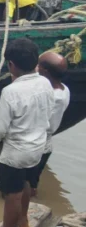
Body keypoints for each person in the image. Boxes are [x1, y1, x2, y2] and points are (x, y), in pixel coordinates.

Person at [0, 38, 53, 227]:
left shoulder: (10, 91)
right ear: (36, 62)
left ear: (11, 65)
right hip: (38, 146)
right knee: (27, 183)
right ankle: (23, 221)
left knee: (11, 195)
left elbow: (1, 129)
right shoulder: (45, 83)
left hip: (16, 153)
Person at [28, 52, 70, 197]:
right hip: (45, 145)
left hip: (36, 145)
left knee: (23, 184)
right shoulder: (64, 89)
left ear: (45, 71)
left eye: (38, 65)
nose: (35, 68)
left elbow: (34, 120)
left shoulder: (52, 97)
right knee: (32, 180)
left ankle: (27, 206)